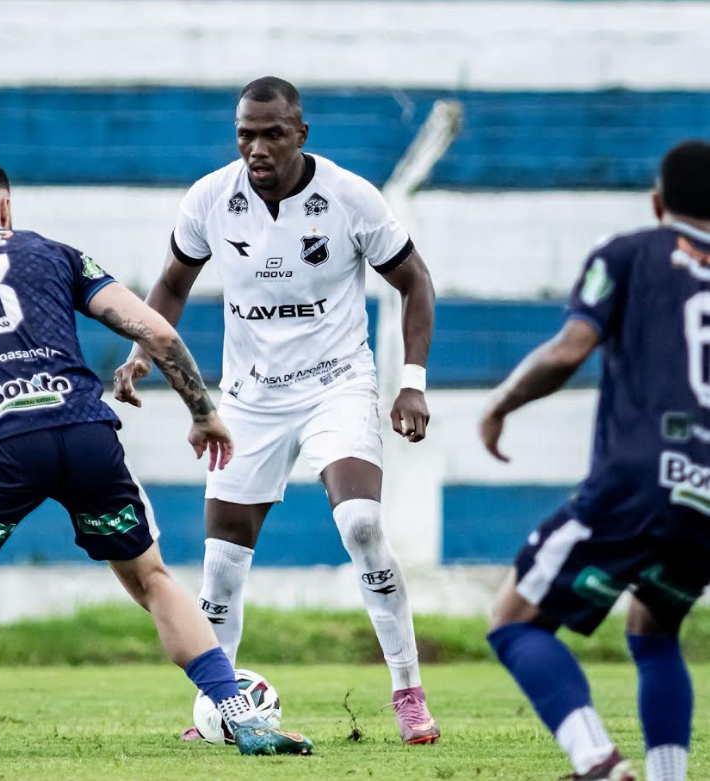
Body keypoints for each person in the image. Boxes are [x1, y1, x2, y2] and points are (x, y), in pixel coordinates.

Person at [0, 152, 313, 758]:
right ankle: (240, 715)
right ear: (6, 209)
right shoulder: (53, 253)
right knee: (151, 579)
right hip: (88, 436)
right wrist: (202, 412)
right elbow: (158, 332)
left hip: (3, 446)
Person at [113, 76, 440, 744]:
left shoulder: (349, 197)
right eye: (245, 135)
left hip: (336, 386)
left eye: (272, 134)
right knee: (221, 563)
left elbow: (415, 281)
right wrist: (141, 351)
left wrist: (411, 382)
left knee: (361, 524)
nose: (256, 148)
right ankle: (220, 709)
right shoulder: (211, 198)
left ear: (300, 134)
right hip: (251, 399)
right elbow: (172, 284)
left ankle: (408, 692)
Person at [479, 140, 710, 781]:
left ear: (658, 203)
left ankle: (599, 763)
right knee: (654, 628)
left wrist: (500, 403)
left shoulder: (629, 252)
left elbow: (569, 350)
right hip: (707, 496)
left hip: (640, 479)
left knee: (515, 623)